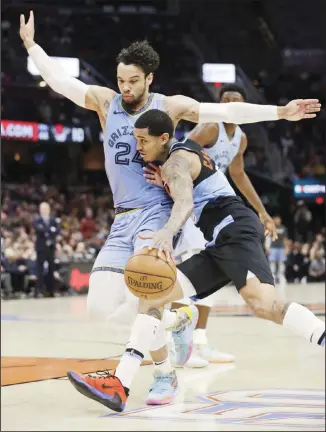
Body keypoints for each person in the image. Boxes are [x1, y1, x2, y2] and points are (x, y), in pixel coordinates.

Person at [20, 10, 321, 412]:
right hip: (123, 215)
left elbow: (226, 115)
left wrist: (279, 112)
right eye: (120, 80)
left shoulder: (171, 111)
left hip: (161, 212)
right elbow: (61, 82)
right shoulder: (105, 102)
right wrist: (32, 46)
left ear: (149, 79)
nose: (124, 88)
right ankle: (176, 321)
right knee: (102, 307)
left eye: (133, 81)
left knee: (150, 293)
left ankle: (151, 374)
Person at [74, 108, 324, 412]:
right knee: (151, 298)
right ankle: (124, 383)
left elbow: (185, 201)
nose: (138, 147)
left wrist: (166, 231)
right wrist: (164, 182)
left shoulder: (175, 163)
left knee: (264, 305)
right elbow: (187, 182)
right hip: (217, 241)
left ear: (163, 138)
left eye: (143, 140)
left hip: (234, 229)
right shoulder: (182, 150)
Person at [144, 84, 276, 367]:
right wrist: (167, 181)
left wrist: (261, 211)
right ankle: (184, 338)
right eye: (226, 100)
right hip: (191, 201)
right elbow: (180, 154)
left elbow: (239, 175)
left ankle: (195, 340)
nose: (231, 105)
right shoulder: (209, 128)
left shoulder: (240, 138)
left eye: (236, 101)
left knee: (207, 277)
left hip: (213, 205)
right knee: (194, 270)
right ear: (220, 104)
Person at [34, 202, 60, 297]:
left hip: (51, 247)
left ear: (49, 209)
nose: (44, 210)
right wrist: (50, 230)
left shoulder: (53, 219)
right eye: (42, 208)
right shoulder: (37, 219)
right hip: (41, 247)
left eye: (46, 208)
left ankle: (52, 290)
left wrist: (48, 230)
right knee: (39, 269)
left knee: (51, 269)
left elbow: (57, 230)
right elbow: (39, 229)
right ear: (40, 210)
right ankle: (39, 291)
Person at [265, 215, 288, 284]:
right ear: (274, 220)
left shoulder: (283, 228)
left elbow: (285, 239)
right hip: (273, 248)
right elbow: (268, 237)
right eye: (276, 219)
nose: (277, 220)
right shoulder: (271, 228)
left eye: (279, 219)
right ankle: (273, 276)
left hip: (281, 248)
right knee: (272, 262)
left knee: (281, 263)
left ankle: (281, 276)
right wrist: (267, 247)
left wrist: (286, 248)